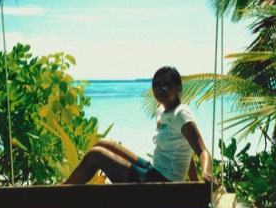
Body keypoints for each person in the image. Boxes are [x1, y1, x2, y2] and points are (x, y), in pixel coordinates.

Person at [64, 66, 214, 185]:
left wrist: (206, 173)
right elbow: (186, 149)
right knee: (102, 143)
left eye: (166, 86)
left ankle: (57, 194)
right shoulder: (161, 111)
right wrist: (194, 183)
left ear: (178, 87)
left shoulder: (181, 114)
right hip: (152, 170)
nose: (159, 89)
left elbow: (201, 150)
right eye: (156, 86)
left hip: (163, 183)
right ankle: (60, 192)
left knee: (96, 155)